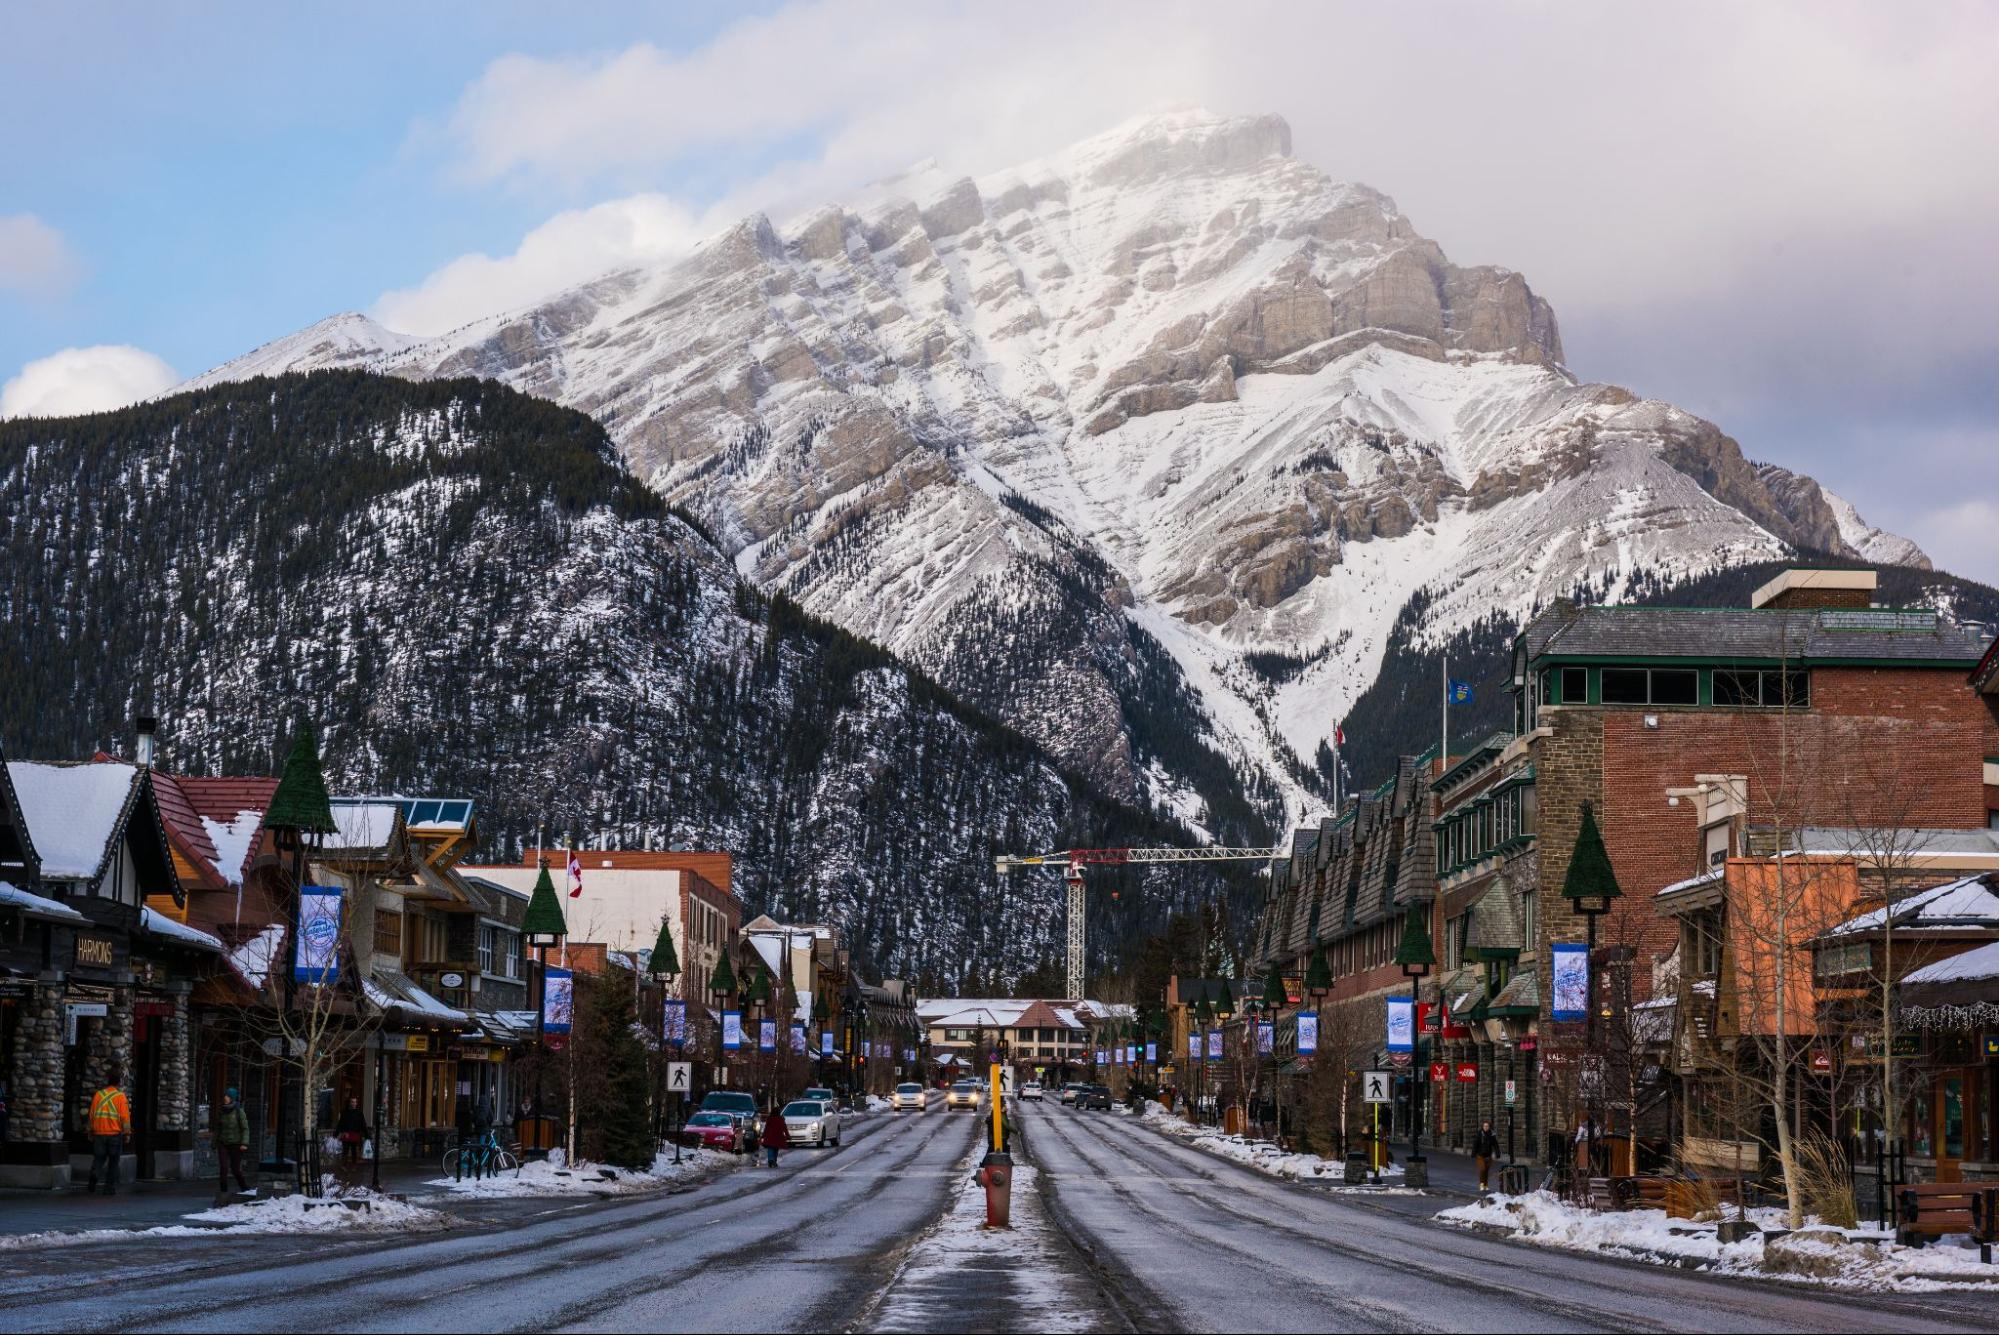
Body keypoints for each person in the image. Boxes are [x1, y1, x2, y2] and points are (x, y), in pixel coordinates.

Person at [86, 1067, 131, 1195]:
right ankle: (109, 1187)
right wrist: (127, 1134)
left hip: (99, 1134)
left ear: (108, 1080)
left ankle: (94, 1174)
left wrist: (90, 1131)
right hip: (114, 1135)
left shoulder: (98, 1095)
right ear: (118, 1082)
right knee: (113, 1162)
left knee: (98, 1159)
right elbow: (125, 1118)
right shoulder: (120, 1097)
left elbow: (91, 1115)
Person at [217, 1087, 252, 1195]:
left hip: (236, 1144)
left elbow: (245, 1128)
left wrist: (244, 1143)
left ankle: (244, 1187)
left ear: (232, 1098)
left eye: (227, 1096)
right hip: (223, 1142)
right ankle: (223, 1192)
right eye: (225, 1096)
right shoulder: (222, 1111)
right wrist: (215, 1142)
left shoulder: (239, 1111)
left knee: (235, 1169)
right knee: (223, 1167)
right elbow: (218, 1128)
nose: (225, 1098)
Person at [335, 1095, 369, 1167]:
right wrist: (337, 1133)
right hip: (346, 1134)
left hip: (355, 1134)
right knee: (345, 1151)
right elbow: (340, 1123)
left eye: (355, 1102)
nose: (354, 1103)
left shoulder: (359, 1113)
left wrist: (367, 1135)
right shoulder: (344, 1113)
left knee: (354, 1151)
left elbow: (363, 1124)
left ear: (356, 1103)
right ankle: (343, 1165)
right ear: (349, 1103)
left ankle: (354, 1165)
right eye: (352, 1102)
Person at [1473, 1118, 1500, 1192]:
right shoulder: (1479, 1134)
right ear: (1482, 1126)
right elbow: (1475, 1144)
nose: (1486, 1127)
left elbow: (1495, 1144)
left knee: (1486, 1171)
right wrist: (1473, 1153)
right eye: (1484, 1126)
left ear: (1489, 1127)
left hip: (1488, 1155)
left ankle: (1486, 1185)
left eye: (1487, 1126)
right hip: (1480, 1155)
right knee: (1482, 1169)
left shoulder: (1492, 1135)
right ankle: (1481, 1185)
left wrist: (1497, 1153)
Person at [761, 1101, 790, 1168]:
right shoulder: (781, 1119)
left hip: (770, 1137)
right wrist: (788, 1136)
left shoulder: (769, 1119)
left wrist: (763, 1136)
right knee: (776, 1149)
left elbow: (766, 1128)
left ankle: (770, 1159)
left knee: (770, 1148)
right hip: (778, 1137)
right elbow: (784, 1128)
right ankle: (774, 1160)